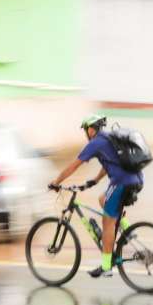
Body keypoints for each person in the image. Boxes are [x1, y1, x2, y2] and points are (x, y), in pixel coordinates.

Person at [49, 115, 143, 278]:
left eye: (86, 130)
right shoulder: (110, 139)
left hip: (121, 182)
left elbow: (74, 166)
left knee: (107, 223)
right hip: (137, 179)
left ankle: (106, 266)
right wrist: (94, 180)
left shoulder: (95, 143)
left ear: (91, 129)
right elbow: (110, 163)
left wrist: (56, 182)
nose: (86, 133)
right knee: (103, 200)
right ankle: (127, 230)